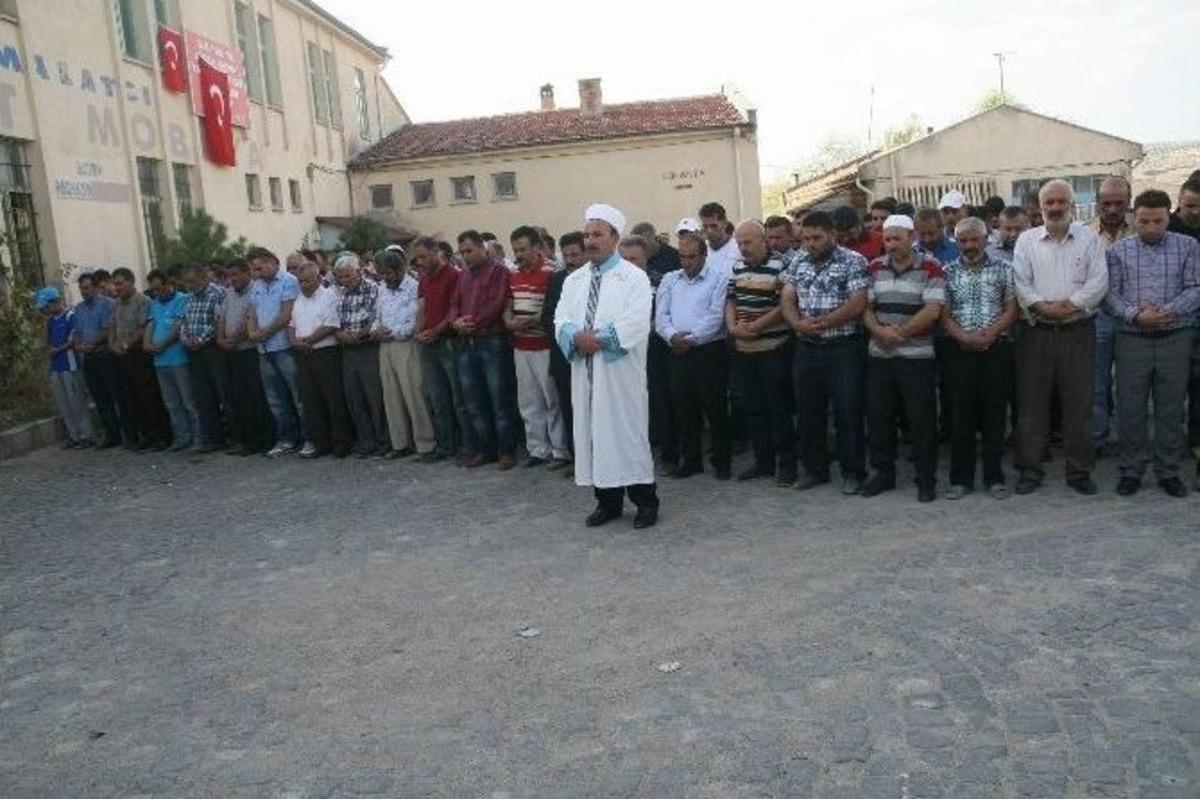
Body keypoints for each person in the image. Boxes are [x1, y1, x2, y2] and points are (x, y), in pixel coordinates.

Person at [554, 203, 658, 529]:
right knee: (594, 435)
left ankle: (645, 502)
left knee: (627, 435)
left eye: (597, 234)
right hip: (585, 373)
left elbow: (637, 322)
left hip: (619, 374)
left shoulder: (634, 277)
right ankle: (607, 502)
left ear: (615, 237)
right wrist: (574, 337)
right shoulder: (574, 280)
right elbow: (561, 319)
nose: (590, 241)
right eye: (586, 234)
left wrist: (594, 340)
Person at [1012, 178, 1109, 495]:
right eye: (1048, 203)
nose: (1054, 208)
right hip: (1036, 332)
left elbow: (1099, 282)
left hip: (1078, 331)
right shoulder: (1026, 240)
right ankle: (1030, 469)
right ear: (1039, 208)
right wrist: (1042, 306)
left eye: (1060, 202)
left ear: (1072, 205)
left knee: (1079, 404)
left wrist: (1069, 305)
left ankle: (1079, 470)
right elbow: (1020, 282)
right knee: (1032, 404)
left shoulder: (1089, 239)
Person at [1105, 189, 1200, 497]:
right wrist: (1136, 315)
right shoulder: (1118, 251)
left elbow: (1195, 287)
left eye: (1158, 221)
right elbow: (1109, 295)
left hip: (1175, 337)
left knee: (1170, 407)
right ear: (1134, 217)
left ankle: (1168, 470)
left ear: (1168, 217)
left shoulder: (1188, 246)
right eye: (1143, 221)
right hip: (1132, 339)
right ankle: (1131, 469)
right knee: (1130, 407)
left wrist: (1168, 311)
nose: (1150, 228)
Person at [781, 210, 870, 495]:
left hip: (843, 348)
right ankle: (814, 470)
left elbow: (858, 303)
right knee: (808, 413)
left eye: (817, 238)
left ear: (832, 235)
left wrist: (824, 322)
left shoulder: (853, 261)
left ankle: (853, 472)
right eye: (806, 238)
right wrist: (797, 324)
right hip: (807, 348)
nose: (810, 243)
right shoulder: (798, 261)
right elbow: (787, 298)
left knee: (847, 411)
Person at [861, 215, 945, 502]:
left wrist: (900, 333)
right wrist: (879, 332)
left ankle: (926, 479)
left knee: (921, 421)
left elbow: (933, 309)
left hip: (916, 357)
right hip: (880, 357)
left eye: (898, 238)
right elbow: (866, 308)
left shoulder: (931, 267)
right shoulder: (874, 267)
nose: (892, 244)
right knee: (880, 418)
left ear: (912, 237)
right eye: (887, 239)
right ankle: (884, 474)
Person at [941, 217, 1018, 500]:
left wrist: (991, 333)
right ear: (956, 241)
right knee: (961, 415)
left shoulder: (1004, 269)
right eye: (963, 241)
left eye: (975, 240)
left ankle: (994, 477)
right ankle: (960, 479)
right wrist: (964, 337)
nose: (970, 246)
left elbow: (1012, 308)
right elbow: (943, 314)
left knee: (994, 415)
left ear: (986, 239)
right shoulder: (946, 272)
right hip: (959, 351)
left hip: (996, 349)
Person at [655, 229, 731, 480]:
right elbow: (661, 316)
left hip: (709, 351)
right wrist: (671, 336)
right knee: (684, 408)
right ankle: (691, 460)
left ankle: (722, 461)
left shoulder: (719, 279)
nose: (687, 263)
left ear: (704, 255)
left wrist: (691, 339)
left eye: (692, 257)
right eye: (683, 257)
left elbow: (716, 316)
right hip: (677, 351)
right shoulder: (670, 279)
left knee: (715, 407)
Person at [725, 219, 797, 486]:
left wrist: (757, 325)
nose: (743, 248)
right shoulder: (738, 267)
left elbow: (785, 304)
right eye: (740, 243)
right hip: (744, 349)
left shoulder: (782, 266)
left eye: (748, 242)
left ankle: (787, 465)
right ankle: (763, 462)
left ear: (763, 240)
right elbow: (731, 299)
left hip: (773, 349)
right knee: (754, 409)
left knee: (779, 409)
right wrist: (733, 327)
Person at [451, 230, 517, 469]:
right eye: (462, 252)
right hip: (466, 343)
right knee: (474, 401)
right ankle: (485, 449)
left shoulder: (499, 271)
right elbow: (454, 303)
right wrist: (455, 321)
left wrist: (473, 323)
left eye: (469, 250)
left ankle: (507, 451)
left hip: (492, 341)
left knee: (499, 398)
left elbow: (498, 302)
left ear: (482, 248)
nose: (466, 256)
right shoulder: (464, 275)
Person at [504, 226, 569, 468]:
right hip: (521, 346)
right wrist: (509, 320)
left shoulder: (552, 272)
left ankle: (560, 450)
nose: (519, 254)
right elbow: (508, 303)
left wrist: (533, 320)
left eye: (523, 249)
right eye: (515, 249)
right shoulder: (513, 273)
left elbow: (554, 307)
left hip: (544, 346)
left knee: (552, 399)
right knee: (529, 400)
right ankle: (537, 449)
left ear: (536, 247)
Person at [372, 248, 436, 461]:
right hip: (385, 346)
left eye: (387, 273)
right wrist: (376, 329)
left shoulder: (414, 287)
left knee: (414, 393)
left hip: (407, 345)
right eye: (380, 273)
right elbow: (376, 315)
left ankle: (426, 444)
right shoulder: (381, 288)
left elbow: (416, 319)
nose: (384, 278)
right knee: (391, 396)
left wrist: (395, 333)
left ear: (399, 269)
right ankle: (401, 443)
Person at [411, 237, 469, 463]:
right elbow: (422, 309)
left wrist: (436, 331)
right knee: (436, 399)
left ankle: (466, 446)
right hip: (429, 344)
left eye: (423, 256)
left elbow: (454, 310)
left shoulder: (454, 275)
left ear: (436, 252)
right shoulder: (424, 279)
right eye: (416, 258)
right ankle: (445, 446)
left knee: (458, 399)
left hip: (449, 342)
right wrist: (418, 331)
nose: (420, 262)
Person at [288, 262, 353, 459]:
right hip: (303, 354)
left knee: (333, 398)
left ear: (318, 278)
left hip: (325, 352)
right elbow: (291, 325)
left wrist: (307, 341)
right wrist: (294, 341)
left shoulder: (330, 295)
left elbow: (330, 324)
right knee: (310, 400)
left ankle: (341, 443)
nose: (304, 284)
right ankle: (320, 443)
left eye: (308, 280)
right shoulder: (298, 299)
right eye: (300, 281)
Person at [1089, 176, 1133, 458]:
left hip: (1133, 318)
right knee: (1097, 383)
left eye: (1119, 203)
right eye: (1107, 203)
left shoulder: (1141, 231)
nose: (1113, 209)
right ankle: (1096, 439)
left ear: (1128, 202)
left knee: (1131, 384)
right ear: (1097, 204)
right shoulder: (1083, 234)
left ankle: (1131, 441)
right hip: (1097, 318)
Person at [247, 247, 304, 458]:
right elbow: (252, 312)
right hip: (264, 349)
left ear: (273, 262)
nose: (257, 273)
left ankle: (307, 438)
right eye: (254, 269)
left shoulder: (289, 281)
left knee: (297, 396)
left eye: (260, 268)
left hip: (283, 347)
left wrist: (264, 332)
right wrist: (252, 331)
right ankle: (286, 439)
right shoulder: (257, 285)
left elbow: (287, 313)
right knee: (275, 399)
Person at [332, 252, 389, 458]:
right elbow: (333, 321)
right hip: (347, 350)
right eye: (340, 276)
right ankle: (366, 442)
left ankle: (384, 441)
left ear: (358, 271)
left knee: (374, 396)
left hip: (367, 348)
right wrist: (340, 335)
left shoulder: (373, 289)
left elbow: (376, 318)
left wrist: (359, 334)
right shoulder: (338, 293)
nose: (343, 280)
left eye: (347, 276)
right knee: (354, 397)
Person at [107, 268, 170, 450]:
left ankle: (161, 436)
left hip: (139, 355)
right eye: (115, 284)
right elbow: (112, 327)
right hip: (121, 356)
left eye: (120, 283)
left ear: (131, 282)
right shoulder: (117, 304)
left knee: (148, 396)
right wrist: (113, 345)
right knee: (130, 397)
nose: (116, 288)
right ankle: (145, 436)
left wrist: (126, 345)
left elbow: (144, 329)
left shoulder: (143, 301)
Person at [215, 259, 274, 456]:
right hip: (231, 353)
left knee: (257, 396)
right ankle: (247, 441)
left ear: (246, 273)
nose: (232, 280)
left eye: (235, 275)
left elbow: (250, 319)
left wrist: (234, 338)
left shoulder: (255, 291)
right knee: (238, 398)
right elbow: (222, 319)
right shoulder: (228, 294)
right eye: (229, 276)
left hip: (250, 351)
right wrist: (221, 340)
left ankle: (264, 441)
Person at [541, 231, 587, 467]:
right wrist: (569, 337)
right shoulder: (557, 280)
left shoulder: (595, 278)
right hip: (564, 354)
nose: (571, 259)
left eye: (575, 254)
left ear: (585, 253)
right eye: (566, 255)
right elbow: (548, 316)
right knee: (569, 407)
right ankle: (576, 457)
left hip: (592, 353)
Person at [144, 269, 199, 452]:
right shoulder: (154, 304)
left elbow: (179, 326)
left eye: (159, 288)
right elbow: (151, 324)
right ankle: (182, 438)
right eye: (153, 290)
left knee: (188, 401)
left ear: (168, 285)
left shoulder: (182, 299)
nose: (157, 293)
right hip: (160, 362)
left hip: (178, 359)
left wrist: (162, 344)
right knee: (171, 403)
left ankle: (199, 437)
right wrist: (148, 343)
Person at [179, 263, 229, 453]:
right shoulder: (189, 297)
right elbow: (184, 321)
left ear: (203, 278)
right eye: (186, 282)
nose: (189, 286)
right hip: (194, 352)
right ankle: (212, 438)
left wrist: (200, 340)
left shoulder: (217, 293)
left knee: (224, 394)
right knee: (203, 397)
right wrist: (186, 339)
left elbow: (217, 321)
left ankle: (232, 436)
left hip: (213, 349)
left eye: (192, 281)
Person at [37, 286, 93, 448]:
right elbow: (46, 341)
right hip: (56, 367)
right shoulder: (50, 321)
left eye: (46, 306)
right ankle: (74, 435)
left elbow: (73, 339)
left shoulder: (71, 316)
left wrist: (58, 349)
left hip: (70, 364)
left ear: (55, 302)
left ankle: (86, 435)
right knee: (64, 403)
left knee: (76, 401)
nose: (45, 310)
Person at [72, 272, 121, 447]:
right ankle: (110, 434)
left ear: (94, 287)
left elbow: (108, 329)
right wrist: (78, 345)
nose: (84, 292)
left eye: (86, 288)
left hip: (104, 355)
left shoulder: (108, 304)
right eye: (81, 289)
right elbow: (77, 331)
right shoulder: (78, 309)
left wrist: (91, 344)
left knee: (114, 395)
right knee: (99, 398)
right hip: (89, 358)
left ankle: (125, 432)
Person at [699, 202, 741, 274]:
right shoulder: (700, 250)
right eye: (705, 226)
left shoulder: (739, 248)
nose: (709, 231)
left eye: (714, 226)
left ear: (725, 224)